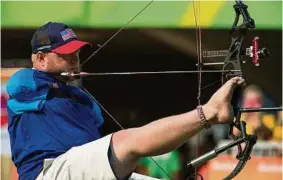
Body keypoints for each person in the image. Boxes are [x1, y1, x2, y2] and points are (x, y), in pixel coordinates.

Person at [6, 22, 245, 180]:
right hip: (47, 173)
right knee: (125, 141)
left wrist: (68, 87)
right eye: (65, 55)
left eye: (76, 54)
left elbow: (94, 149)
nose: (74, 60)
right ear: (40, 58)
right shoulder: (28, 85)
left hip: (80, 170)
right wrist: (55, 81)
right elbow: (17, 84)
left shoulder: (79, 98)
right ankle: (210, 112)